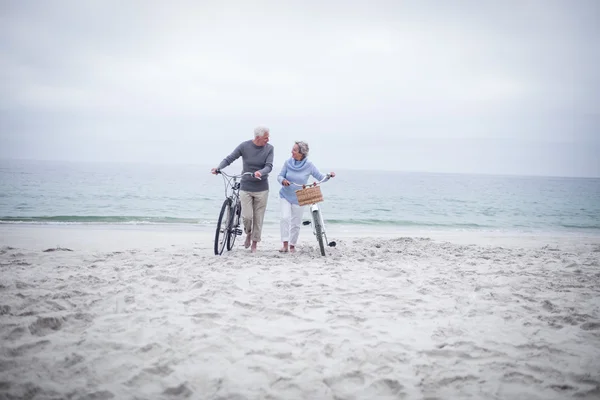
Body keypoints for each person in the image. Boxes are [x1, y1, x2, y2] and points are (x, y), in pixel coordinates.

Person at [211, 126, 274, 253]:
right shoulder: (244, 146)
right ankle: (248, 233)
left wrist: (260, 172)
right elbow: (230, 158)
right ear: (258, 137)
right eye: (266, 137)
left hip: (262, 188)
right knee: (247, 217)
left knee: (258, 218)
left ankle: (254, 243)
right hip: (246, 186)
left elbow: (269, 166)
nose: (268, 140)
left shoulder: (269, 148)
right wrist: (219, 168)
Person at [277, 141, 335, 253]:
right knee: (285, 218)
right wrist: (283, 180)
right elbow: (280, 176)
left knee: (296, 222)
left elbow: (320, 177)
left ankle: (292, 245)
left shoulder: (309, 165)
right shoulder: (288, 162)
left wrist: (329, 176)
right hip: (285, 195)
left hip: (300, 197)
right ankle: (284, 244)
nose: (291, 152)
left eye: (294, 150)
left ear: (301, 153)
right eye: (292, 149)